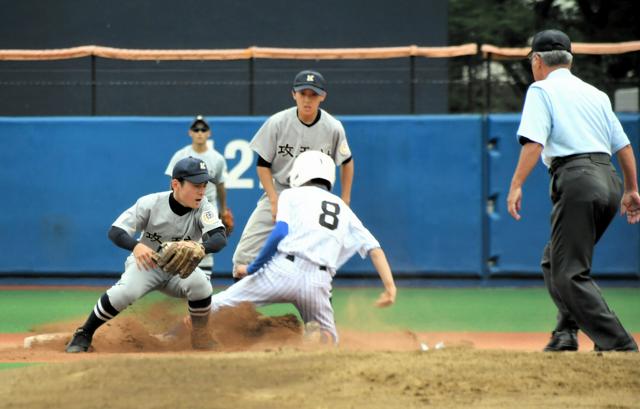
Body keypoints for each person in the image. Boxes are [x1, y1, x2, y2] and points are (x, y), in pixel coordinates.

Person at [506, 29, 640, 352]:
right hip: (608, 181)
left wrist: (516, 184)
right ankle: (566, 332)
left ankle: (619, 344)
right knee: (555, 261)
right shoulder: (596, 94)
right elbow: (622, 145)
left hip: (577, 180)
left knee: (569, 273)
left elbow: (535, 142)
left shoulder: (541, 90)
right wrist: (632, 189)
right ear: (570, 60)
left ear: (537, 61)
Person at [211, 150, 396, 343]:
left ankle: (179, 336)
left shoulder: (291, 194)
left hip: (283, 271)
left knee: (215, 304)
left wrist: (252, 268)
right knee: (331, 340)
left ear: (299, 172)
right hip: (318, 282)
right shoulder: (342, 208)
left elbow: (280, 232)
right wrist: (390, 287)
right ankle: (320, 335)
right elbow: (375, 250)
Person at [65, 157, 228, 353]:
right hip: (147, 264)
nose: (201, 191)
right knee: (124, 293)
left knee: (201, 285)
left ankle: (200, 334)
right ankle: (84, 333)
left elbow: (219, 238)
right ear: (176, 184)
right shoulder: (151, 203)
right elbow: (116, 231)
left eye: (204, 185)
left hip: (178, 269)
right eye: (195, 185)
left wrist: (201, 247)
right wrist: (136, 246)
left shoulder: (204, 207)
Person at [232, 69, 354, 280]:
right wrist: (272, 199)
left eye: (313, 94)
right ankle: (239, 312)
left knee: (317, 260)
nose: (307, 99)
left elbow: (347, 162)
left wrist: (345, 199)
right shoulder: (278, 122)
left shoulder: (333, 127)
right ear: (293, 94)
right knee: (242, 259)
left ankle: (320, 308)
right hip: (281, 189)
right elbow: (262, 164)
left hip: (314, 196)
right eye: (303, 93)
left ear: (322, 96)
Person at [165, 115, 232, 270]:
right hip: (184, 205)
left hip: (207, 205)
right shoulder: (180, 155)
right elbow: (172, 184)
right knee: (182, 244)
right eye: (196, 129)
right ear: (190, 133)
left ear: (209, 133)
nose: (200, 132)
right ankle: (180, 283)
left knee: (206, 245)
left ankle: (203, 283)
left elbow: (220, 185)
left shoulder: (217, 158)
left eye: (203, 129)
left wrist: (223, 210)